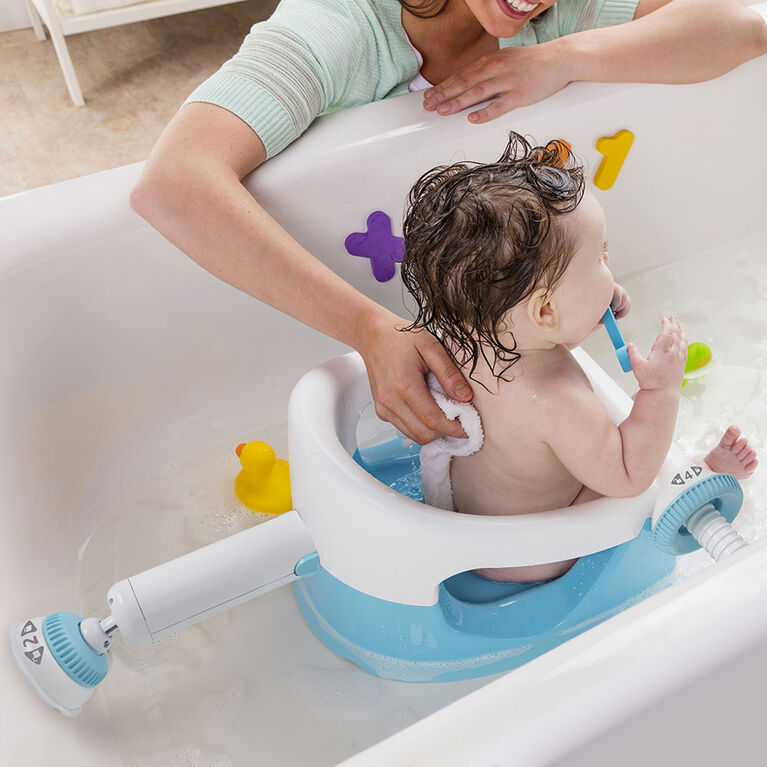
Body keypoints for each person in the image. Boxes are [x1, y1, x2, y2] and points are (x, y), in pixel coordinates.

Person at [129, 0, 767, 445]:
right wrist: (369, 328)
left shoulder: (557, 11)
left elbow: (743, 24)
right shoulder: (338, 27)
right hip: (313, 336)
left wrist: (565, 58)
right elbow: (174, 183)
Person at [399, 132, 758, 582]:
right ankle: (698, 475)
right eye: (601, 258)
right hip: (533, 555)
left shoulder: (475, 333)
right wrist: (660, 391)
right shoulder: (556, 400)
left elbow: (538, 336)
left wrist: (587, 308)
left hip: (479, 527)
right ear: (547, 310)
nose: (610, 261)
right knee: (640, 492)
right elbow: (629, 473)